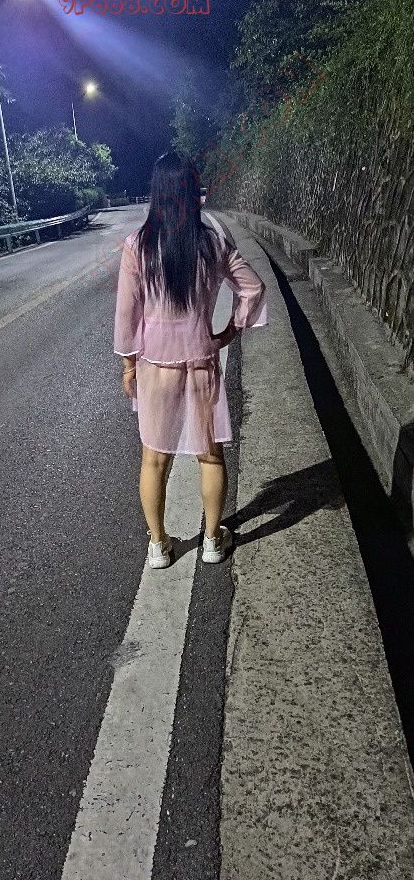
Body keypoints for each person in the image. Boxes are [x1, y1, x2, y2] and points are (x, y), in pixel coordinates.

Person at [113, 150, 268, 569]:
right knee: (210, 454)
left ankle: (159, 544)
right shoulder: (212, 242)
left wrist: (129, 364)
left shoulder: (138, 246)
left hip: (155, 365)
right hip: (200, 359)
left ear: (156, 193)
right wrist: (231, 330)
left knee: (154, 458)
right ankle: (213, 540)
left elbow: (127, 315)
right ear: (191, 192)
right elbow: (252, 288)